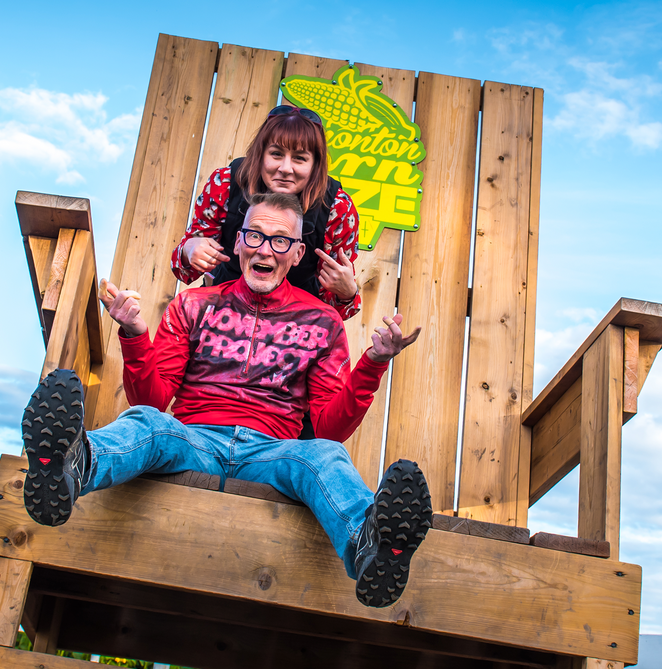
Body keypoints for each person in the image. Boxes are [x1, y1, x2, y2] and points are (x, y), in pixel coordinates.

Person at [21, 192, 429, 608]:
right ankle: (70, 466)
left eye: (280, 240)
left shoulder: (322, 323)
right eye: (254, 235)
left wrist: (374, 363)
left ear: (297, 253)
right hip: (194, 441)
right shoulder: (194, 305)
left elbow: (330, 429)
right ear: (237, 242)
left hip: (272, 453)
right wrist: (134, 335)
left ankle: (373, 547)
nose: (265, 248)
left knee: (323, 454)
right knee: (147, 421)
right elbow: (154, 397)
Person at [172, 105, 362, 322]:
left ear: (315, 165)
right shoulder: (226, 184)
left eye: (300, 158)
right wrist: (189, 251)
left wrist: (346, 293)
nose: (285, 168)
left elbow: (333, 313)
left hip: (294, 329)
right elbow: (183, 270)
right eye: (276, 154)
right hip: (221, 318)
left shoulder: (337, 208)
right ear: (260, 154)